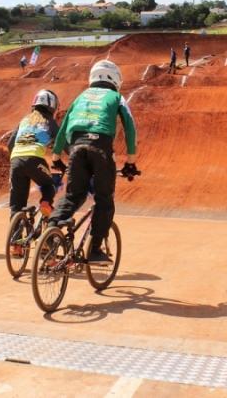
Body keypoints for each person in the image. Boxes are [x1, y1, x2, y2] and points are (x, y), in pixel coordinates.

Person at [48, 60, 139, 263]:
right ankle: (95, 250)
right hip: (100, 147)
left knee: (73, 195)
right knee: (104, 199)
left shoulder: (80, 97)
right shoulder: (117, 97)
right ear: (115, 79)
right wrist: (131, 161)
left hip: (76, 148)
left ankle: (52, 227)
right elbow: (130, 126)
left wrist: (56, 157)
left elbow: (63, 129)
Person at [7, 89, 61, 255]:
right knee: (49, 185)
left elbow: (10, 144)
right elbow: (61, 143)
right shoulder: (49, 122)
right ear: (52, 106)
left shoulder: (24, 120)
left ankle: (16, 247)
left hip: (16, 160)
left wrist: (18, 157)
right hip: (35, 159)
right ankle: (45, 203)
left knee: (16, 205)